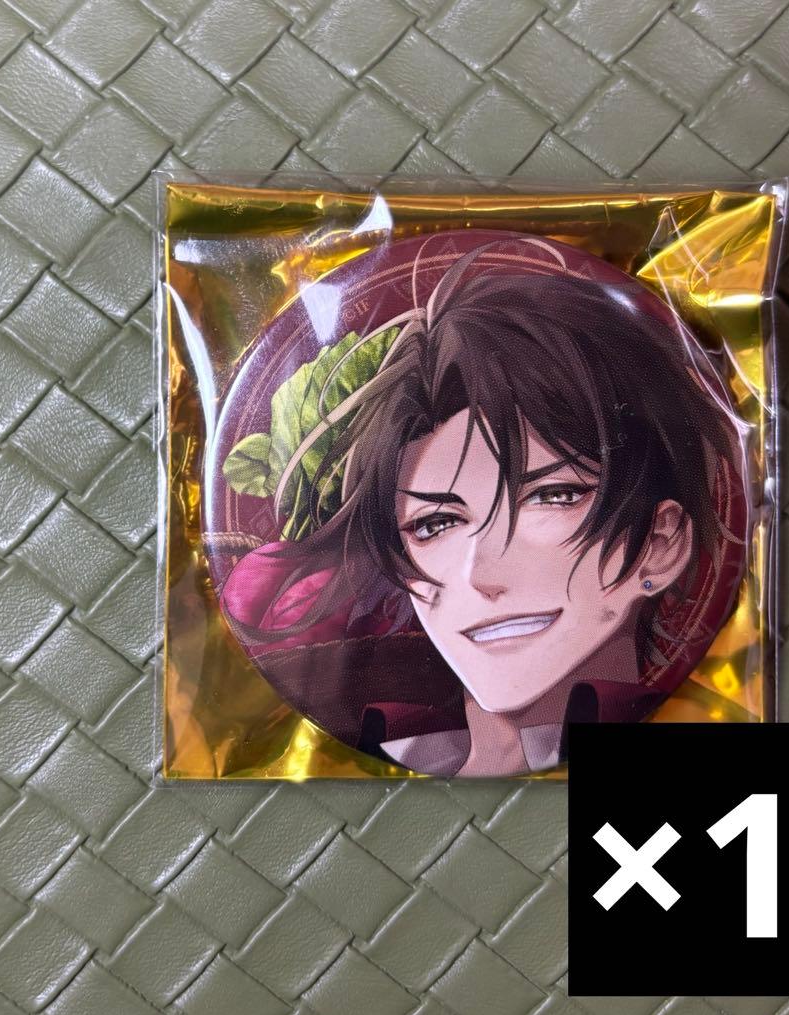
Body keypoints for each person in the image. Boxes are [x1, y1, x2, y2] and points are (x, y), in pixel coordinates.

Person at [220, 236, 747, 777]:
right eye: (436, 523)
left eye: (552, 496)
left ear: (661, 544)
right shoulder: (376, 746)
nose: (482, 574)